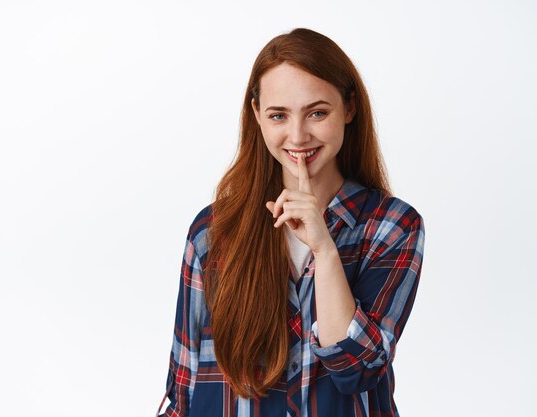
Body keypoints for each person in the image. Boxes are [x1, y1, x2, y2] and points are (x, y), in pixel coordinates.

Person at [157, 27, 425, 417]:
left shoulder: (392, 226)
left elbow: (358, 368)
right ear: (257, 116)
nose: (298, 136)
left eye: (318, 112)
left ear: (349, 108)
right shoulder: (211, 233)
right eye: (279, 115)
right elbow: (183, 390)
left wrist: (324, 249)